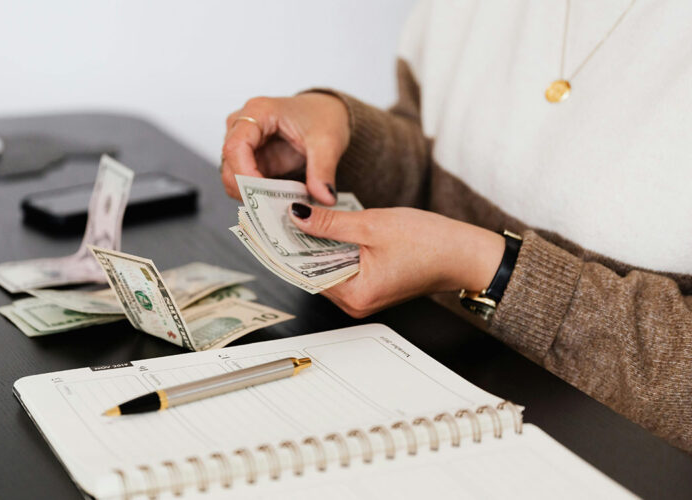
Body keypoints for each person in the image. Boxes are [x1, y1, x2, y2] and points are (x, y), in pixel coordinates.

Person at [218, 1, 692, 453]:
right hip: (424, 390)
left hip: (613, 459)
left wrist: (492, 270)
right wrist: (346, 133)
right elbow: (435, 153)